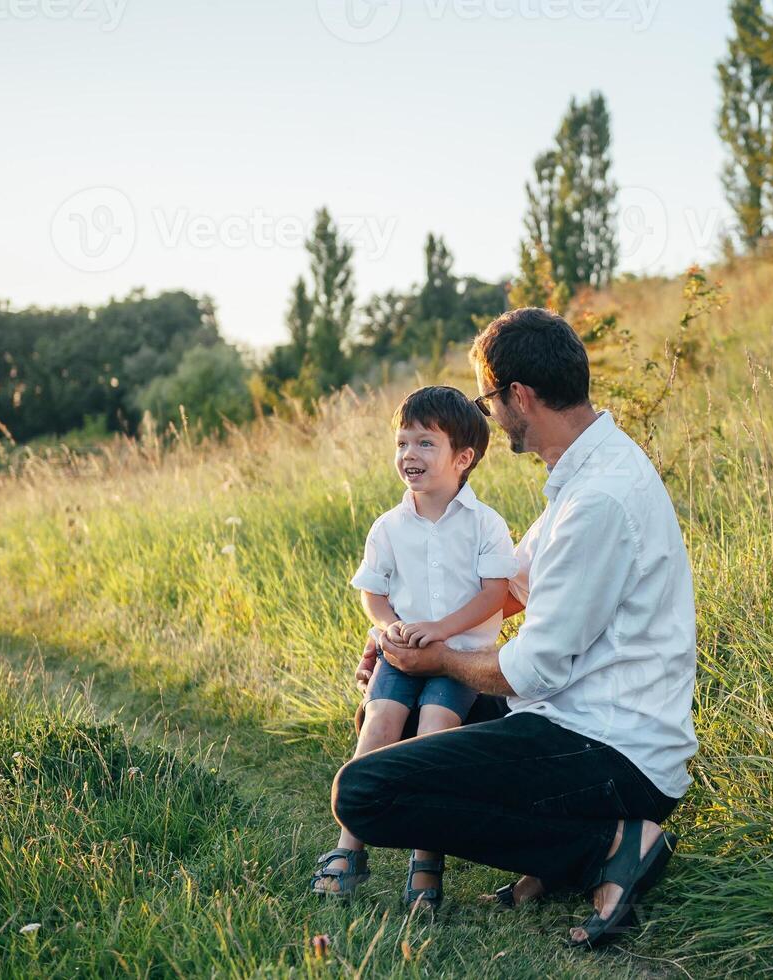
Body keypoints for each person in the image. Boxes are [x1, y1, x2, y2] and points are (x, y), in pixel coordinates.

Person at [333, 307, 698, 948]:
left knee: (365, 792)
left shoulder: (598, 499)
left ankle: (610, 845)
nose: (492, 416)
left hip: (612, 752)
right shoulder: (587, 473)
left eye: (489, 400)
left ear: (519, 396)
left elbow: (529, 670)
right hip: (572, 722)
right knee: (397, 707)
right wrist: (402, 639)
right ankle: (554, 860)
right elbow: (513, 587)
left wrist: (440, 660)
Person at [310, 385, 518, 912]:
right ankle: (348, 847)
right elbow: (372, 591)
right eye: (402, 443)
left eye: (426, 443)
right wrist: (386, 628)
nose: (409, 455)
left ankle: (427, 861)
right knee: (378, 722)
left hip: (458, 661)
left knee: (432, 739)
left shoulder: (486, 524)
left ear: (463, 457)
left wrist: (443, 631)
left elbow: (494, 593)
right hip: (402, 653)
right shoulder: (389, 526)